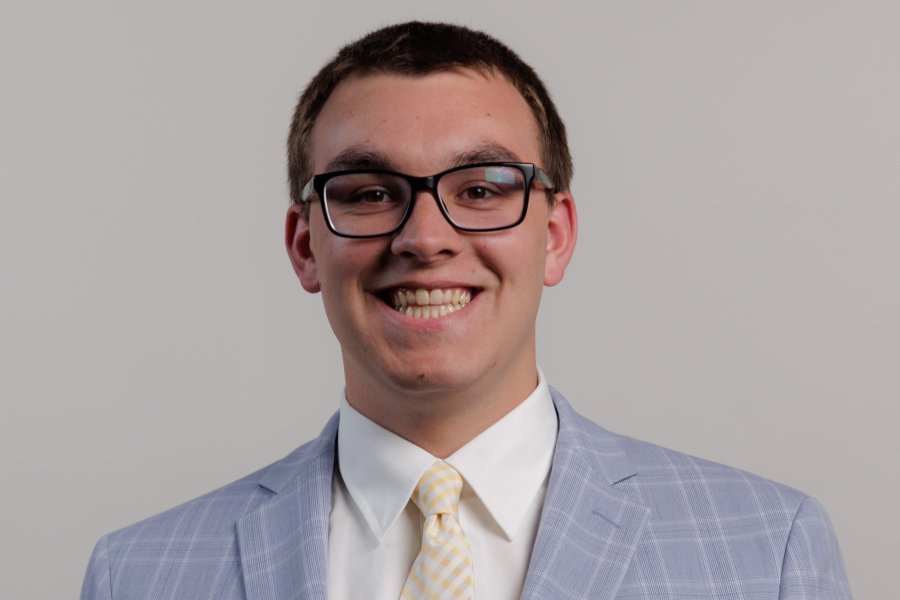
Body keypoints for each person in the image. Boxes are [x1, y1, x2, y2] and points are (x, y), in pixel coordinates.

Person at [81, 21, 852, 600]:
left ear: (555, 236)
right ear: (306, 245)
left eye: (480, 190)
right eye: (369, 193)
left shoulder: (768, 552)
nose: (425, 238)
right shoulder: (137, 575)